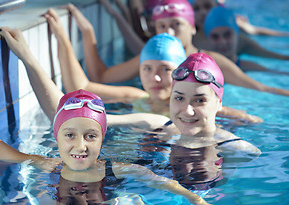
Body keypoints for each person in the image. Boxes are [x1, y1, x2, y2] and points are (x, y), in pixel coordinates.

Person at [0, 46, 233, 205]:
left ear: (102, 139)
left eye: (90, 136)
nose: (80, 146)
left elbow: (164, 183)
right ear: (57, 137)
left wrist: (202, 203)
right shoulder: (49, 164)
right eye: (69, 135)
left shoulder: (116, 169)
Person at [56, 4, 262, 123]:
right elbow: (82, 88)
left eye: (165, 69)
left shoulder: (198, 101)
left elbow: (249, 116)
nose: (155, 77)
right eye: (147, 69)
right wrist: (68, 36)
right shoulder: (137, 95)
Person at [65, 0, 289, 98]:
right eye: (161, 26)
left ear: (192, 27)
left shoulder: (211, 61)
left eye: (176, 25)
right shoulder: (154, 56)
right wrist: (88, 34)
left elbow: (259, 88)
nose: (168, 32)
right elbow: (101, 77)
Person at [204, 6, 289, 74]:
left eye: (227, 34)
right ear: (207, 39)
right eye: (215, 36)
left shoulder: (250, 66)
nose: (222, 41)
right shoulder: (202, 68)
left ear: (237, 34)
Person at [191, 0, 289, 58]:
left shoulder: (234, 27)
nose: (202, 12)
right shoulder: (191, 39)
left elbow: (255, 32)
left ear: (217, 7)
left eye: (207, 6)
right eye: (196, 9)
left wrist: (284, 35)